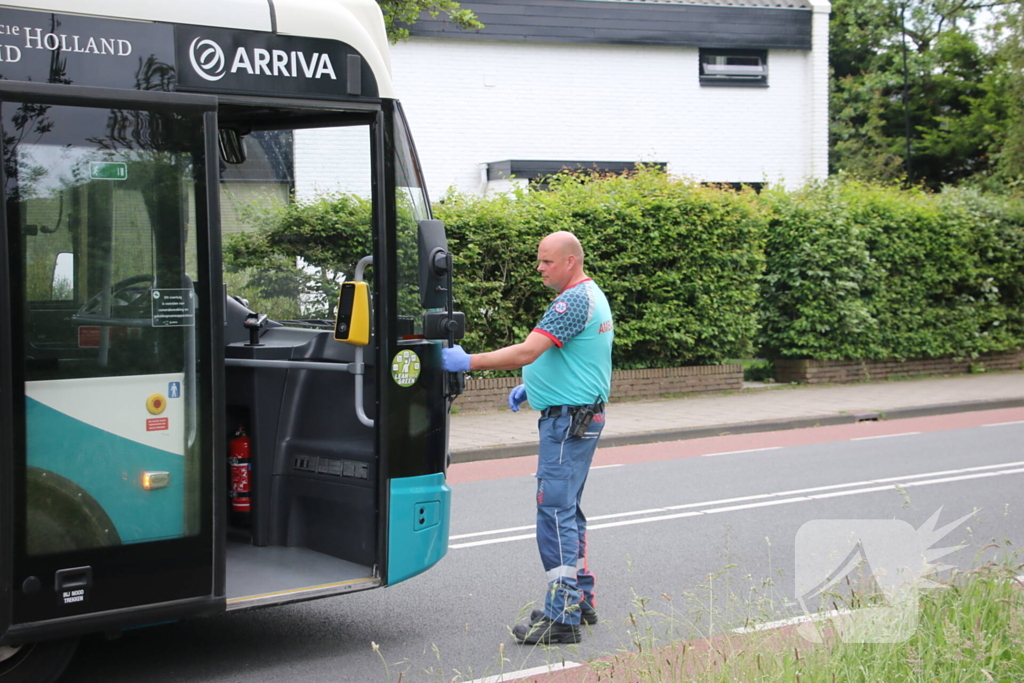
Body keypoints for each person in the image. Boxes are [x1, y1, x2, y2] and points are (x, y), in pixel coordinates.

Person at [442, 231, 614, 645]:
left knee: (553, 512)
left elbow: (527, 352)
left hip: (567, 423)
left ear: (571, 261)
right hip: (578, 416)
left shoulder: (572, 300)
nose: (539, 267)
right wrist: (533, 390)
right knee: (568, 509)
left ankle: (563, 616)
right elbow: (571, 356)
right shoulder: (592, 296)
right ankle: (580, 596)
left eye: (547, 261)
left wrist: (467, 361)